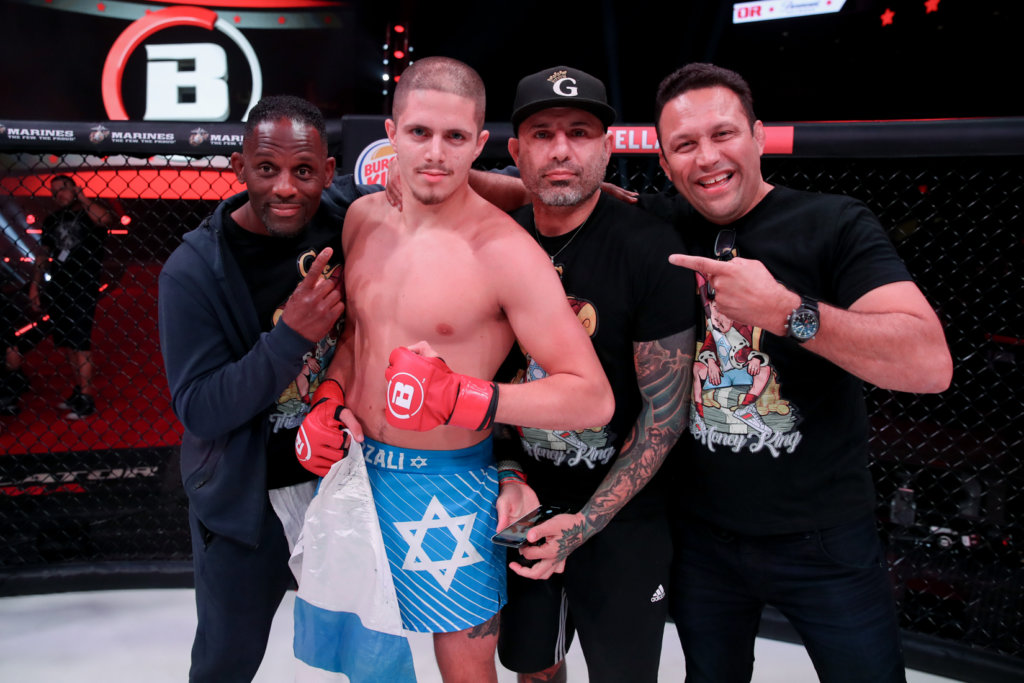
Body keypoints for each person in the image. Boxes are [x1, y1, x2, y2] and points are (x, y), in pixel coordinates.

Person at [294, 56, 613, 683]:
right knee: (365, 661)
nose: (435, 153)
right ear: (392, 133)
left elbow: (591, 397)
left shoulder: (507, 254)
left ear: (480, 143)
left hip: (449, 487)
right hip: (358, 474)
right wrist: (329, 397)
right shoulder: (363, 219)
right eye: (419, 134)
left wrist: (471, 397)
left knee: (465, 671)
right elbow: (361, 334)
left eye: (455, 137)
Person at [649, 63, 954, 682]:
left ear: (759, 136)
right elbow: (570, 194)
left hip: (823, 541)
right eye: (684, 144)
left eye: (723, 134)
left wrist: (788, 313)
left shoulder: (834, 223)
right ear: (664, 163)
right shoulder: (661, 225)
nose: (706, 157)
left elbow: (929, 362)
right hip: (700, 537)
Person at [158, 94, 375, 683]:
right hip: (246, 498)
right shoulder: (194, 270)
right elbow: (200, 408)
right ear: (238, 168)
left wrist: (592, 194)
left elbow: (450, 180)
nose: (285, 187)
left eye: (303, 171)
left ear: (328, 172)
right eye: (267, 169)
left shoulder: (349, 215)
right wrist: (291, 337)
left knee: (373, 656)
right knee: (226, 661)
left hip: (343, 485)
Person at [490, 65, 696, 683]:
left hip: (625, 511)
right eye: (543, 133)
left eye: (580, 133)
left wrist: (585, 524)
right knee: (533, 667)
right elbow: (492, 379)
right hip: (525, 500)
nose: (561, 150)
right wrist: (508, 473)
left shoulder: (650, 249)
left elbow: (665, 416)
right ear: (516, 151)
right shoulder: (499, 243)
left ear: (606, 147)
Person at [5, 175, 113, 419]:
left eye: (63, 189)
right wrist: (35, 286)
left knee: (80, 342)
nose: (58, 195)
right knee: (66, 341)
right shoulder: (53, 219)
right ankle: (79, 389)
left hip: (83, 285)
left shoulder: (89, 213)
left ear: (74, 189)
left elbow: (105, 219)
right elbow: (44, 254)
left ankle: (87, 398)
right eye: (54, 191)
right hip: (59, 287)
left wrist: (83, 197)